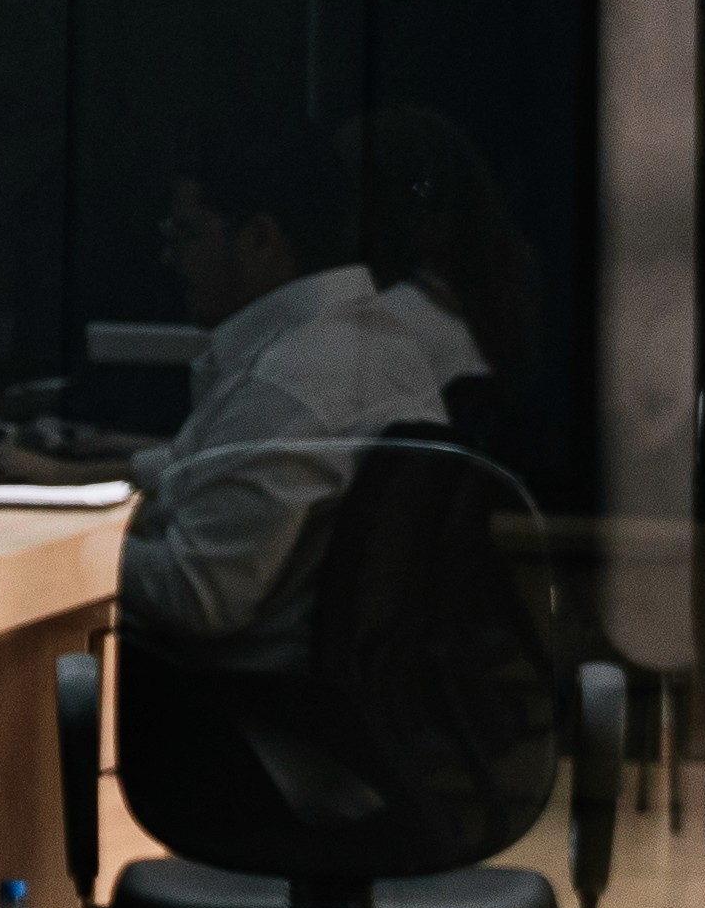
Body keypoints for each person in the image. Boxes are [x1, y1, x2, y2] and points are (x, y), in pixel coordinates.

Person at [102, 113, 505, 662]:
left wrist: (63, 549)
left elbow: (202, 597)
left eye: (186, 233)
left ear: (262, 239)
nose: (168, 257)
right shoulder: (375, 343)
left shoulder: (289, 379)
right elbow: (217, 475)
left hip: (219, 701)